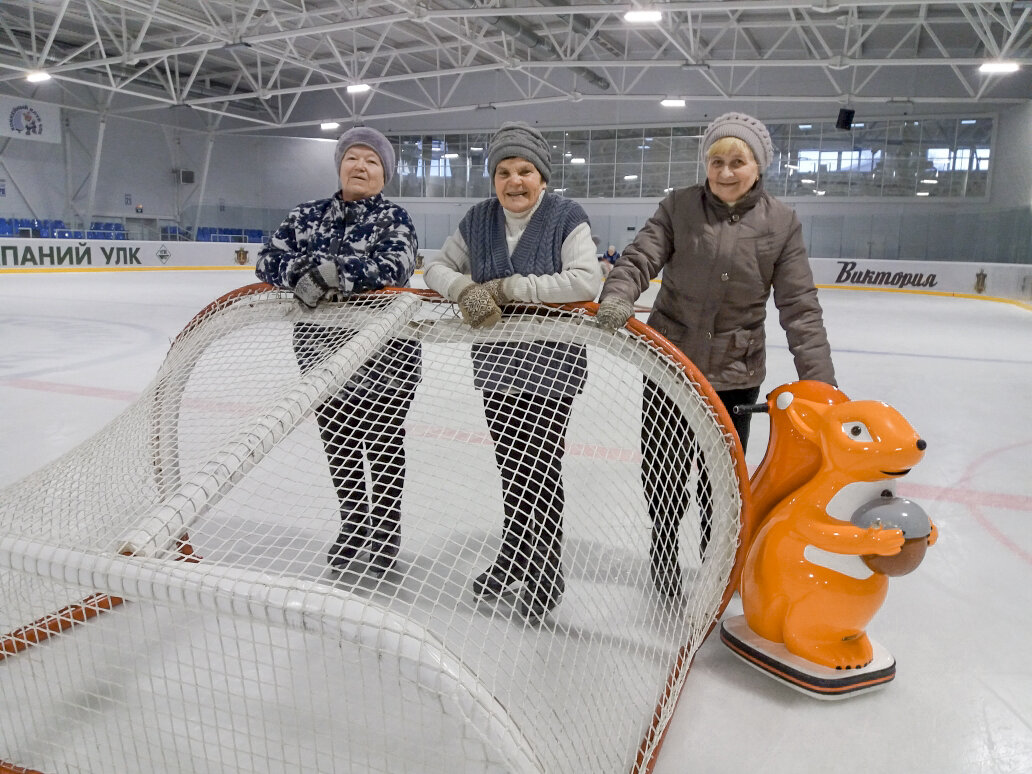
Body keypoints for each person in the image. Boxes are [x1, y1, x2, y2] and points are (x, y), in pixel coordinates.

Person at [595, 112, 836, 598]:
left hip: (735, 373)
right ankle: (663, 557)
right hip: (670, 365)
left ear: (758, 166)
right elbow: (641, 256)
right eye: (717, 161)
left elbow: (800, 308)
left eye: (738, 162)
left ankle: (715, 563)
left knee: (719, 483)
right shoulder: (678, 207)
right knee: (662, 473)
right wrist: (618, 295)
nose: (726, 172)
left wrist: (823, 385)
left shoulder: (781, 223)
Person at [423, 121, 602, 622]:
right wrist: (464, 289)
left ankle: (545, 567)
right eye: (503, 172)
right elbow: (435, 267)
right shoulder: (478, 219)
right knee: (511, 470)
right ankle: (513, 555)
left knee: (540, 472)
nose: (514, 181)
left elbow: (586, 280)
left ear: (542, 177)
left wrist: (511, 289)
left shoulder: (567, 216)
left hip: (551, 367)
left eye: (525, 170)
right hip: (496, 366)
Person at [256, 126, 421, 578]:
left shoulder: (395, 219)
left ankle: (385, 530)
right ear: (340, 165)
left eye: (371, 161)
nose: (360, 166)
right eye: (353, 158)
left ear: (384, 173)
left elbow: (393, 265)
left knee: (385, 448)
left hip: (387, 360)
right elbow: (267, 258)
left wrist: (329, 272)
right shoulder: (307, 214)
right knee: (341, 447)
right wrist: (299, 276)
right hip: (321, 358)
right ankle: (353, 525)